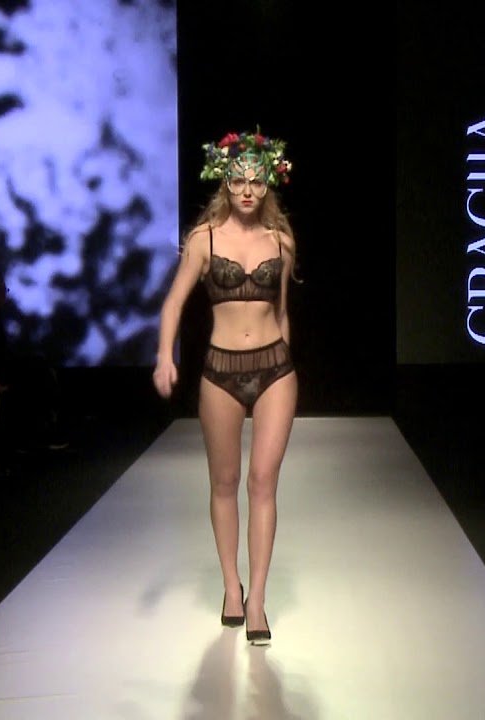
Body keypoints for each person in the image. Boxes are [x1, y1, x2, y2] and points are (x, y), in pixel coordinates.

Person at [153, 129, 297, 646]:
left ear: (269, 183)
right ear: (224, 181)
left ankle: (256, 598)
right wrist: (164, 356)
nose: (247, 190)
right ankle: (230, 587)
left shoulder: (281, 242)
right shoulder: (204, 240)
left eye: (256, 180)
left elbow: (281, 310)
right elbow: (174, 303)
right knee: (224, 482)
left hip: (275, 367)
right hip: (220, 369)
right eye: (238, 180)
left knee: (263, 482)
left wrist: (286, 359)